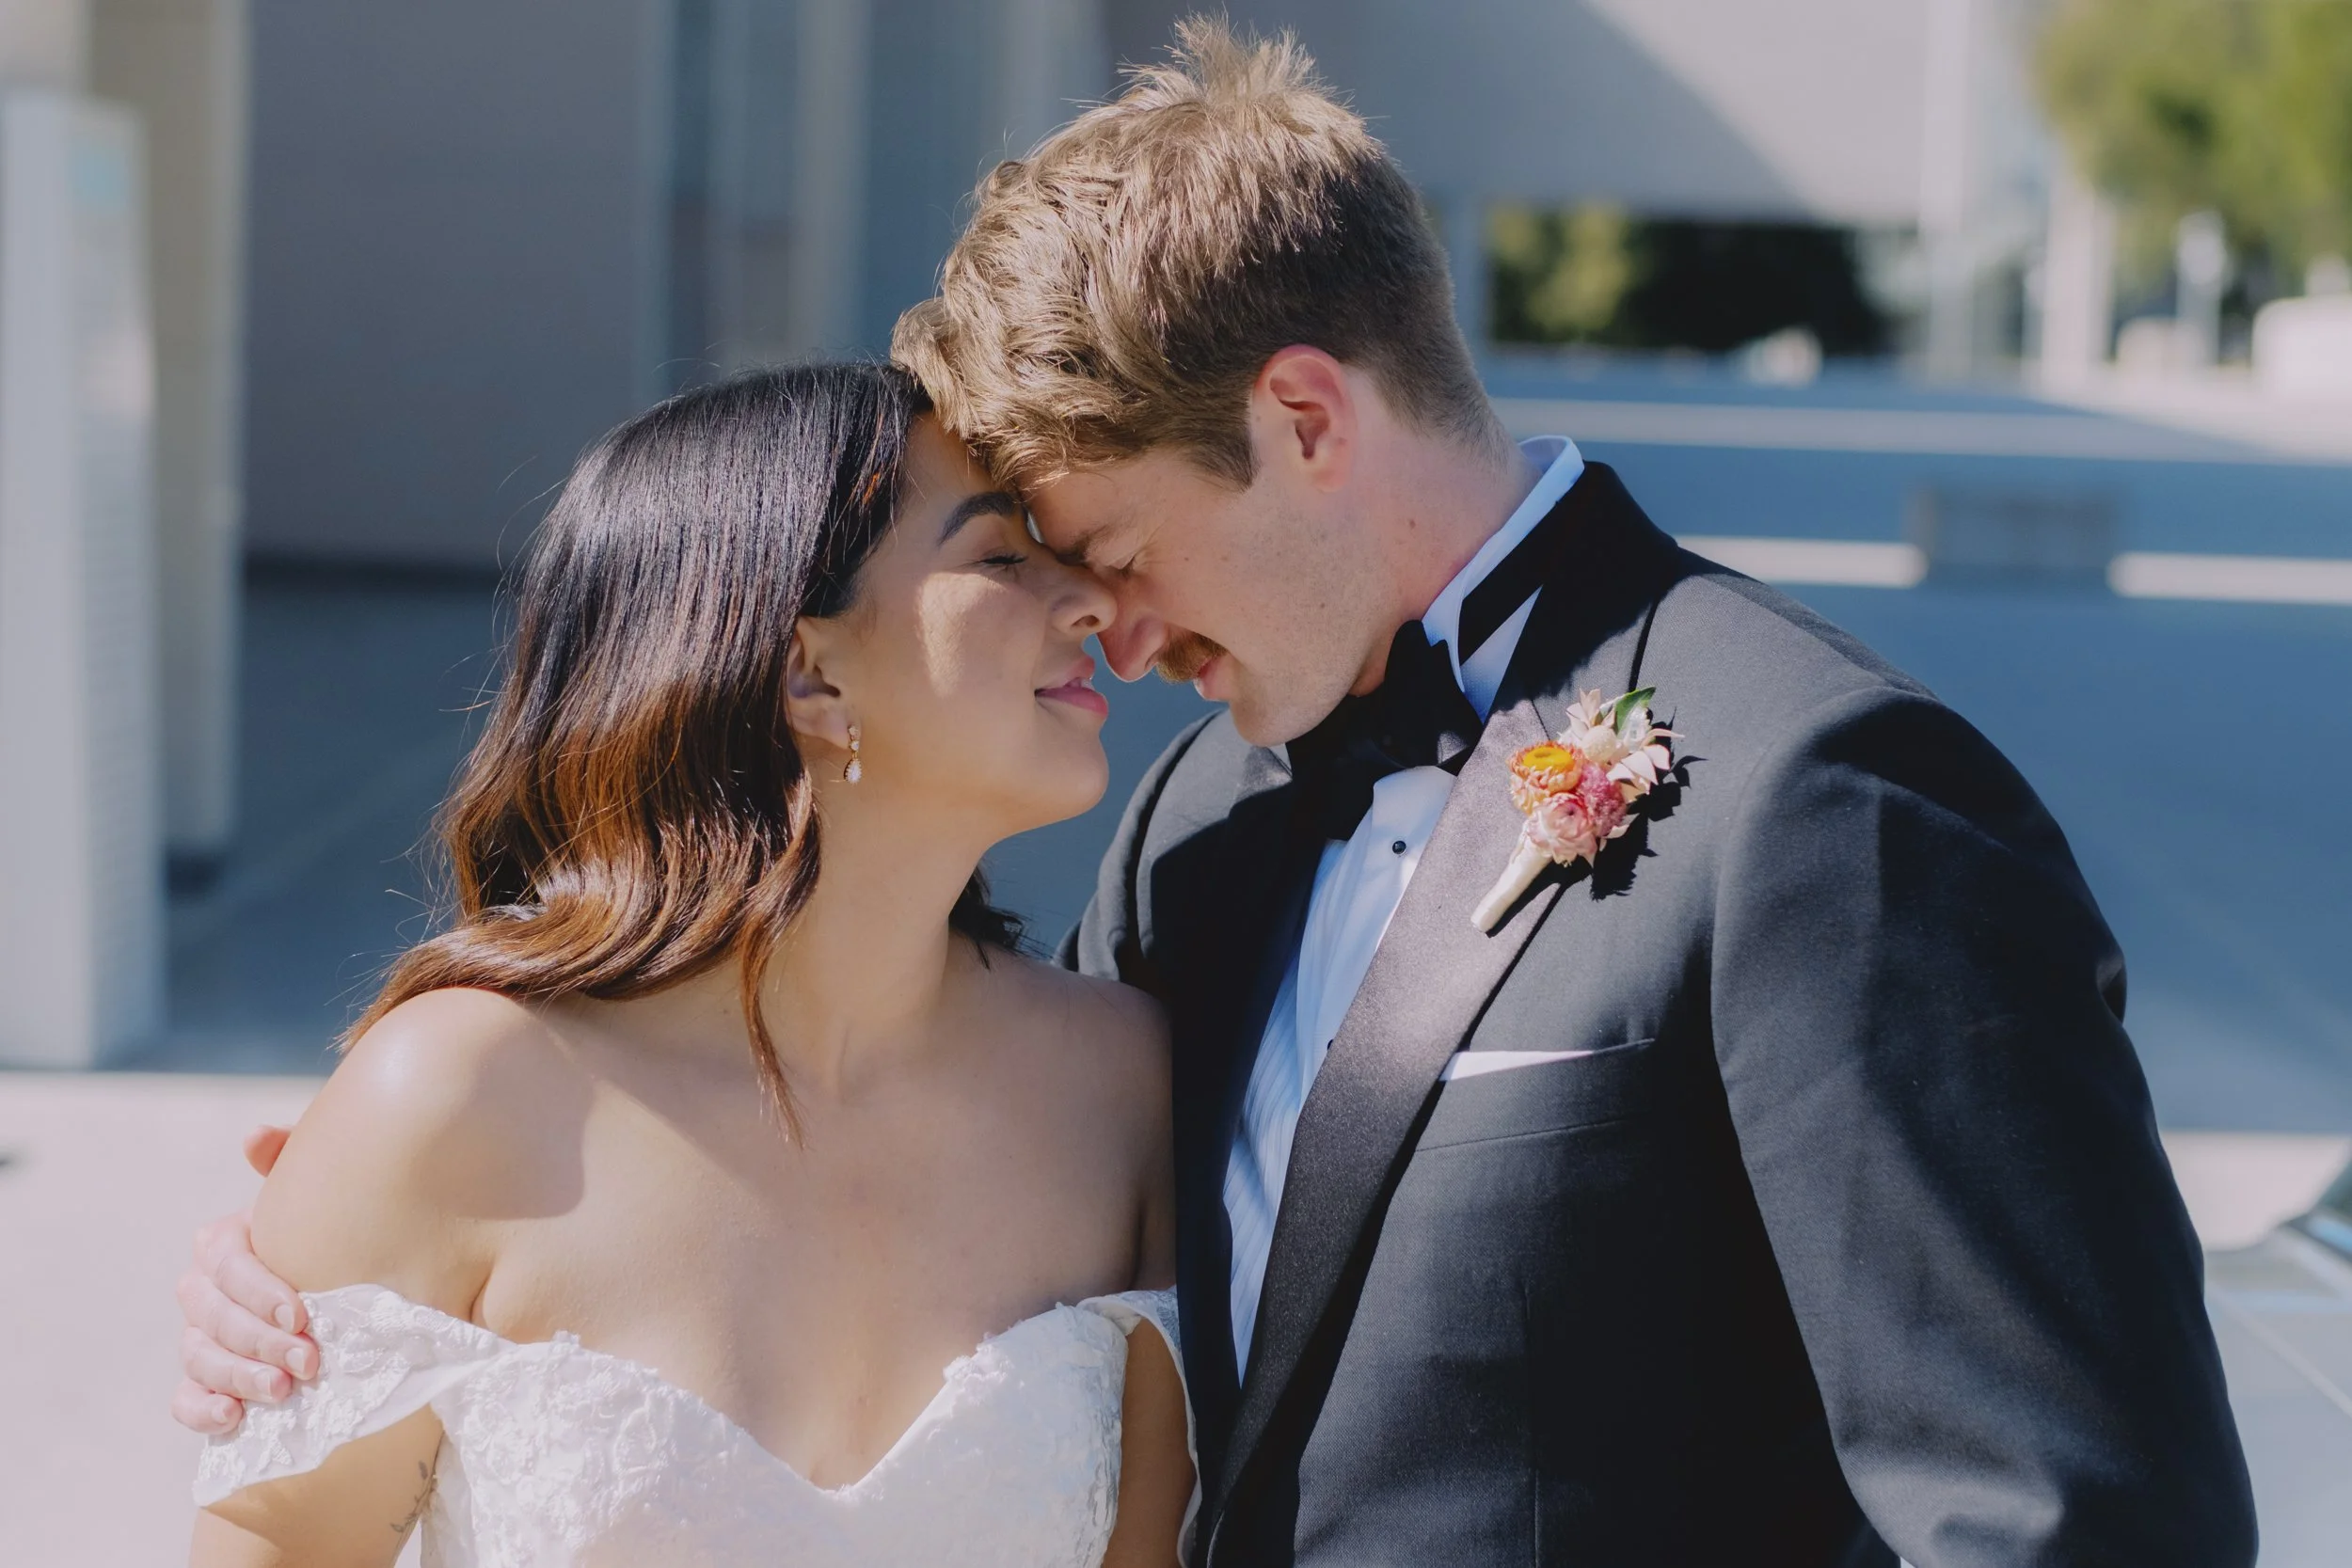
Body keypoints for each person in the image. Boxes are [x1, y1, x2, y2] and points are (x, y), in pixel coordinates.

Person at [180, 19, 2255, 1568]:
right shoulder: (1198, 835)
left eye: (1114, 545)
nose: (1112, 626)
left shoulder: (1819, 799)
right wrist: (333, 1284)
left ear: (1300, 417)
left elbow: (2063, 1515)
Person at [178, 362, 1195, 1567]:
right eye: (997, 559)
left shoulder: (1121, 1086)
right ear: (810, 673)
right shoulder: (452, 1094)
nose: (1084, 597)